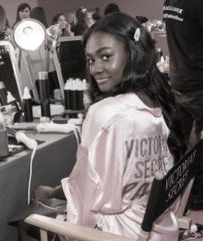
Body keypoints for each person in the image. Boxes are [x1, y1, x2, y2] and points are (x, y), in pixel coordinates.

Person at [58, 12, 186, 241]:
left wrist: (69, 231)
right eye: (91, 60)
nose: (95, 68)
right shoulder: (154, 100)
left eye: (105, 56)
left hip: (119, 235)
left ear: (132, 54)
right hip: (162, 228)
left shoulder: (105, 114)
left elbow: (86, 200)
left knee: (28, 220)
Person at [163, 0, 203, 210]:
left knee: (181, 139)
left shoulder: (170, 1)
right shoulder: (201, 2)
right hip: (197, 81)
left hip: (178, 78)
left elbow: (190, 32)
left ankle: (179, 187)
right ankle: (199, 193)